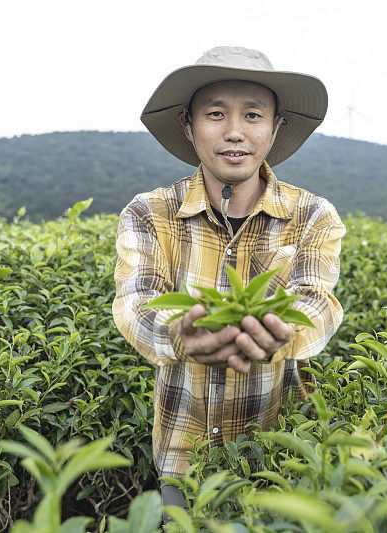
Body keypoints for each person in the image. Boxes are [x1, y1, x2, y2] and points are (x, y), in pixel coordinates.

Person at [112, 46, 346, 517]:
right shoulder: (150, 212)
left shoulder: (312, 215)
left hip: (276, 455)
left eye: (253, 115)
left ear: (276, 125)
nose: (235, 133)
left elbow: (317, 300)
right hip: (182, 453)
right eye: (215, 114)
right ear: (188, 124)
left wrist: (285, 334)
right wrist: (179, 332)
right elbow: (136, 302)